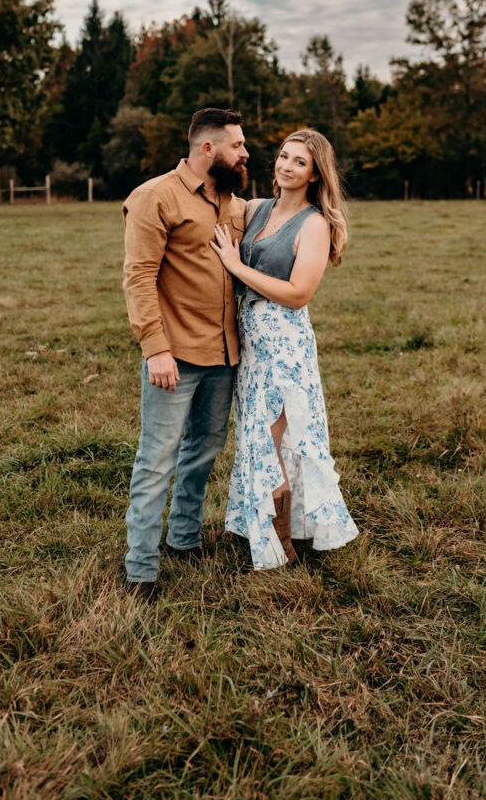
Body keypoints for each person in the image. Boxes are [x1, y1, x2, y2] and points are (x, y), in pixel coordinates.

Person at [210, 129, 358, 570]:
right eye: (282, 156)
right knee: (258, 437)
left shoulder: (314, 223)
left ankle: (281, 547)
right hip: (251, 338)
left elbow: (298, 293)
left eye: (299, 162)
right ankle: (273, 530)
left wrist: (237, 267)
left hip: (284, 340)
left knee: (272, 439)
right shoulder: (257, 208)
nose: (286, 166)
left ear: (314, 175)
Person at [122, 108, 249, 602]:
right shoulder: (155, 197)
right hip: (173, 356)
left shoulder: (234, 205)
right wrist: (155, 349)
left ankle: (184, 537)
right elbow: (138, 277)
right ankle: (141, 570)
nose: (245, 153)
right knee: (157, 460)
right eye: (237, 145)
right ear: (207, 149)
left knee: (204, 451)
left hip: (224, 355)